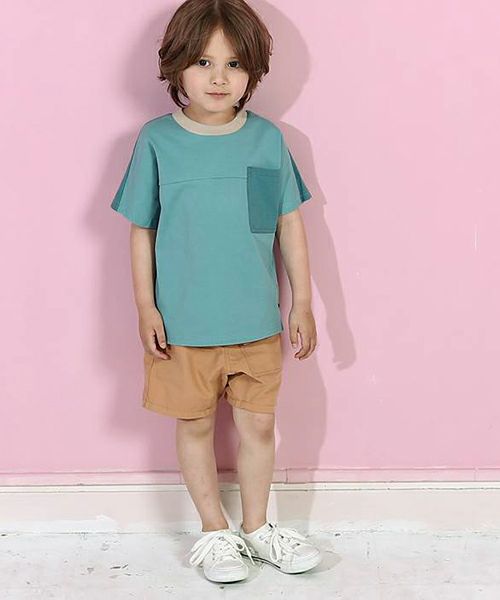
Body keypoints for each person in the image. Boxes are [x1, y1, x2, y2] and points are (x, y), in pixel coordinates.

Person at [110, 0, 321, 584]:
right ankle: (213, 530)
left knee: (259, 427)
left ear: (253, 71)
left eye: (234, 64)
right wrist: (146, 306)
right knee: (195, 425)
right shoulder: (157, 141)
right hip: (183, 326)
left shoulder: (266, 140)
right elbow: (142, 229)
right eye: (203, 62)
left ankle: (257, 527)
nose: (219, 78)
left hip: (256, 322)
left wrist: (303, 302)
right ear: (177, 65)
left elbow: (286, 224)